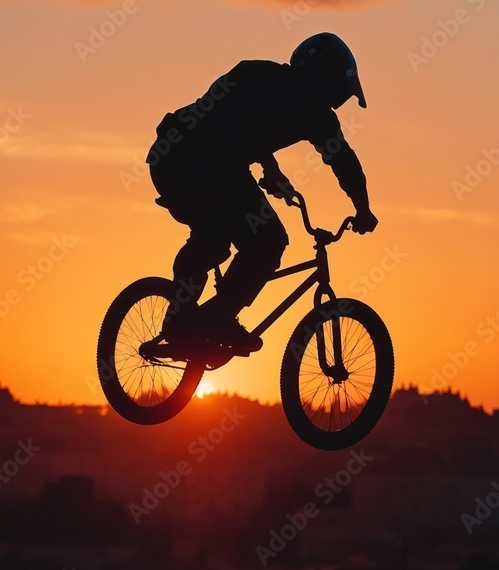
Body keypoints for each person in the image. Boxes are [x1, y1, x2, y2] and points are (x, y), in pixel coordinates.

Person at [147, 32, 377, 352]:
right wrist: (268, 168)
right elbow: (227, 126)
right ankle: (186, 319)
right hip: (181, 157)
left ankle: (213, 319)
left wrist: (362, 207)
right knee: (221, 237)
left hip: (223, 168)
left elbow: (343, 160)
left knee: (262, 239)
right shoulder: (257, 76)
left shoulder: (318, 117)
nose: (333, 98)